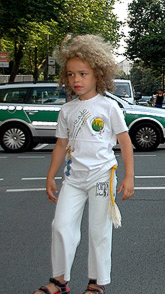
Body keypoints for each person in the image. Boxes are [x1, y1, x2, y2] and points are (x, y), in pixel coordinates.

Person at [33, 35, 135, 294]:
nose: (76, 80)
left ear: (98, 75)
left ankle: (96, 282)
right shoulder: (66, 110)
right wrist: (50, 176)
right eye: (70, 74)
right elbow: (60, 145)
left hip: (102, 175)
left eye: (83, 74)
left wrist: (129, 177)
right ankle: (59, 281)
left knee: (99, 230)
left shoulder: (109, 107)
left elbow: (125, 143)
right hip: (73, 179)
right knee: (60, 225)